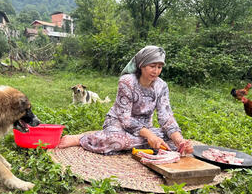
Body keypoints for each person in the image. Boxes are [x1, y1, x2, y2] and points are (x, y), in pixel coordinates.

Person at [58, 45, 193, 155]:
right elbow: (126, 119)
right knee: (117, 141)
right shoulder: (127, 82)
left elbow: (166, 116)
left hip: (144, 129)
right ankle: (83, 138)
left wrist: (179, 141)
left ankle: (111, 137)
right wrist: (150, 136)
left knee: (171, 141)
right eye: (152, 66)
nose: (156, 71)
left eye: (159, 67)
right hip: (118, 123)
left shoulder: (161, 86)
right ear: (142, 65)